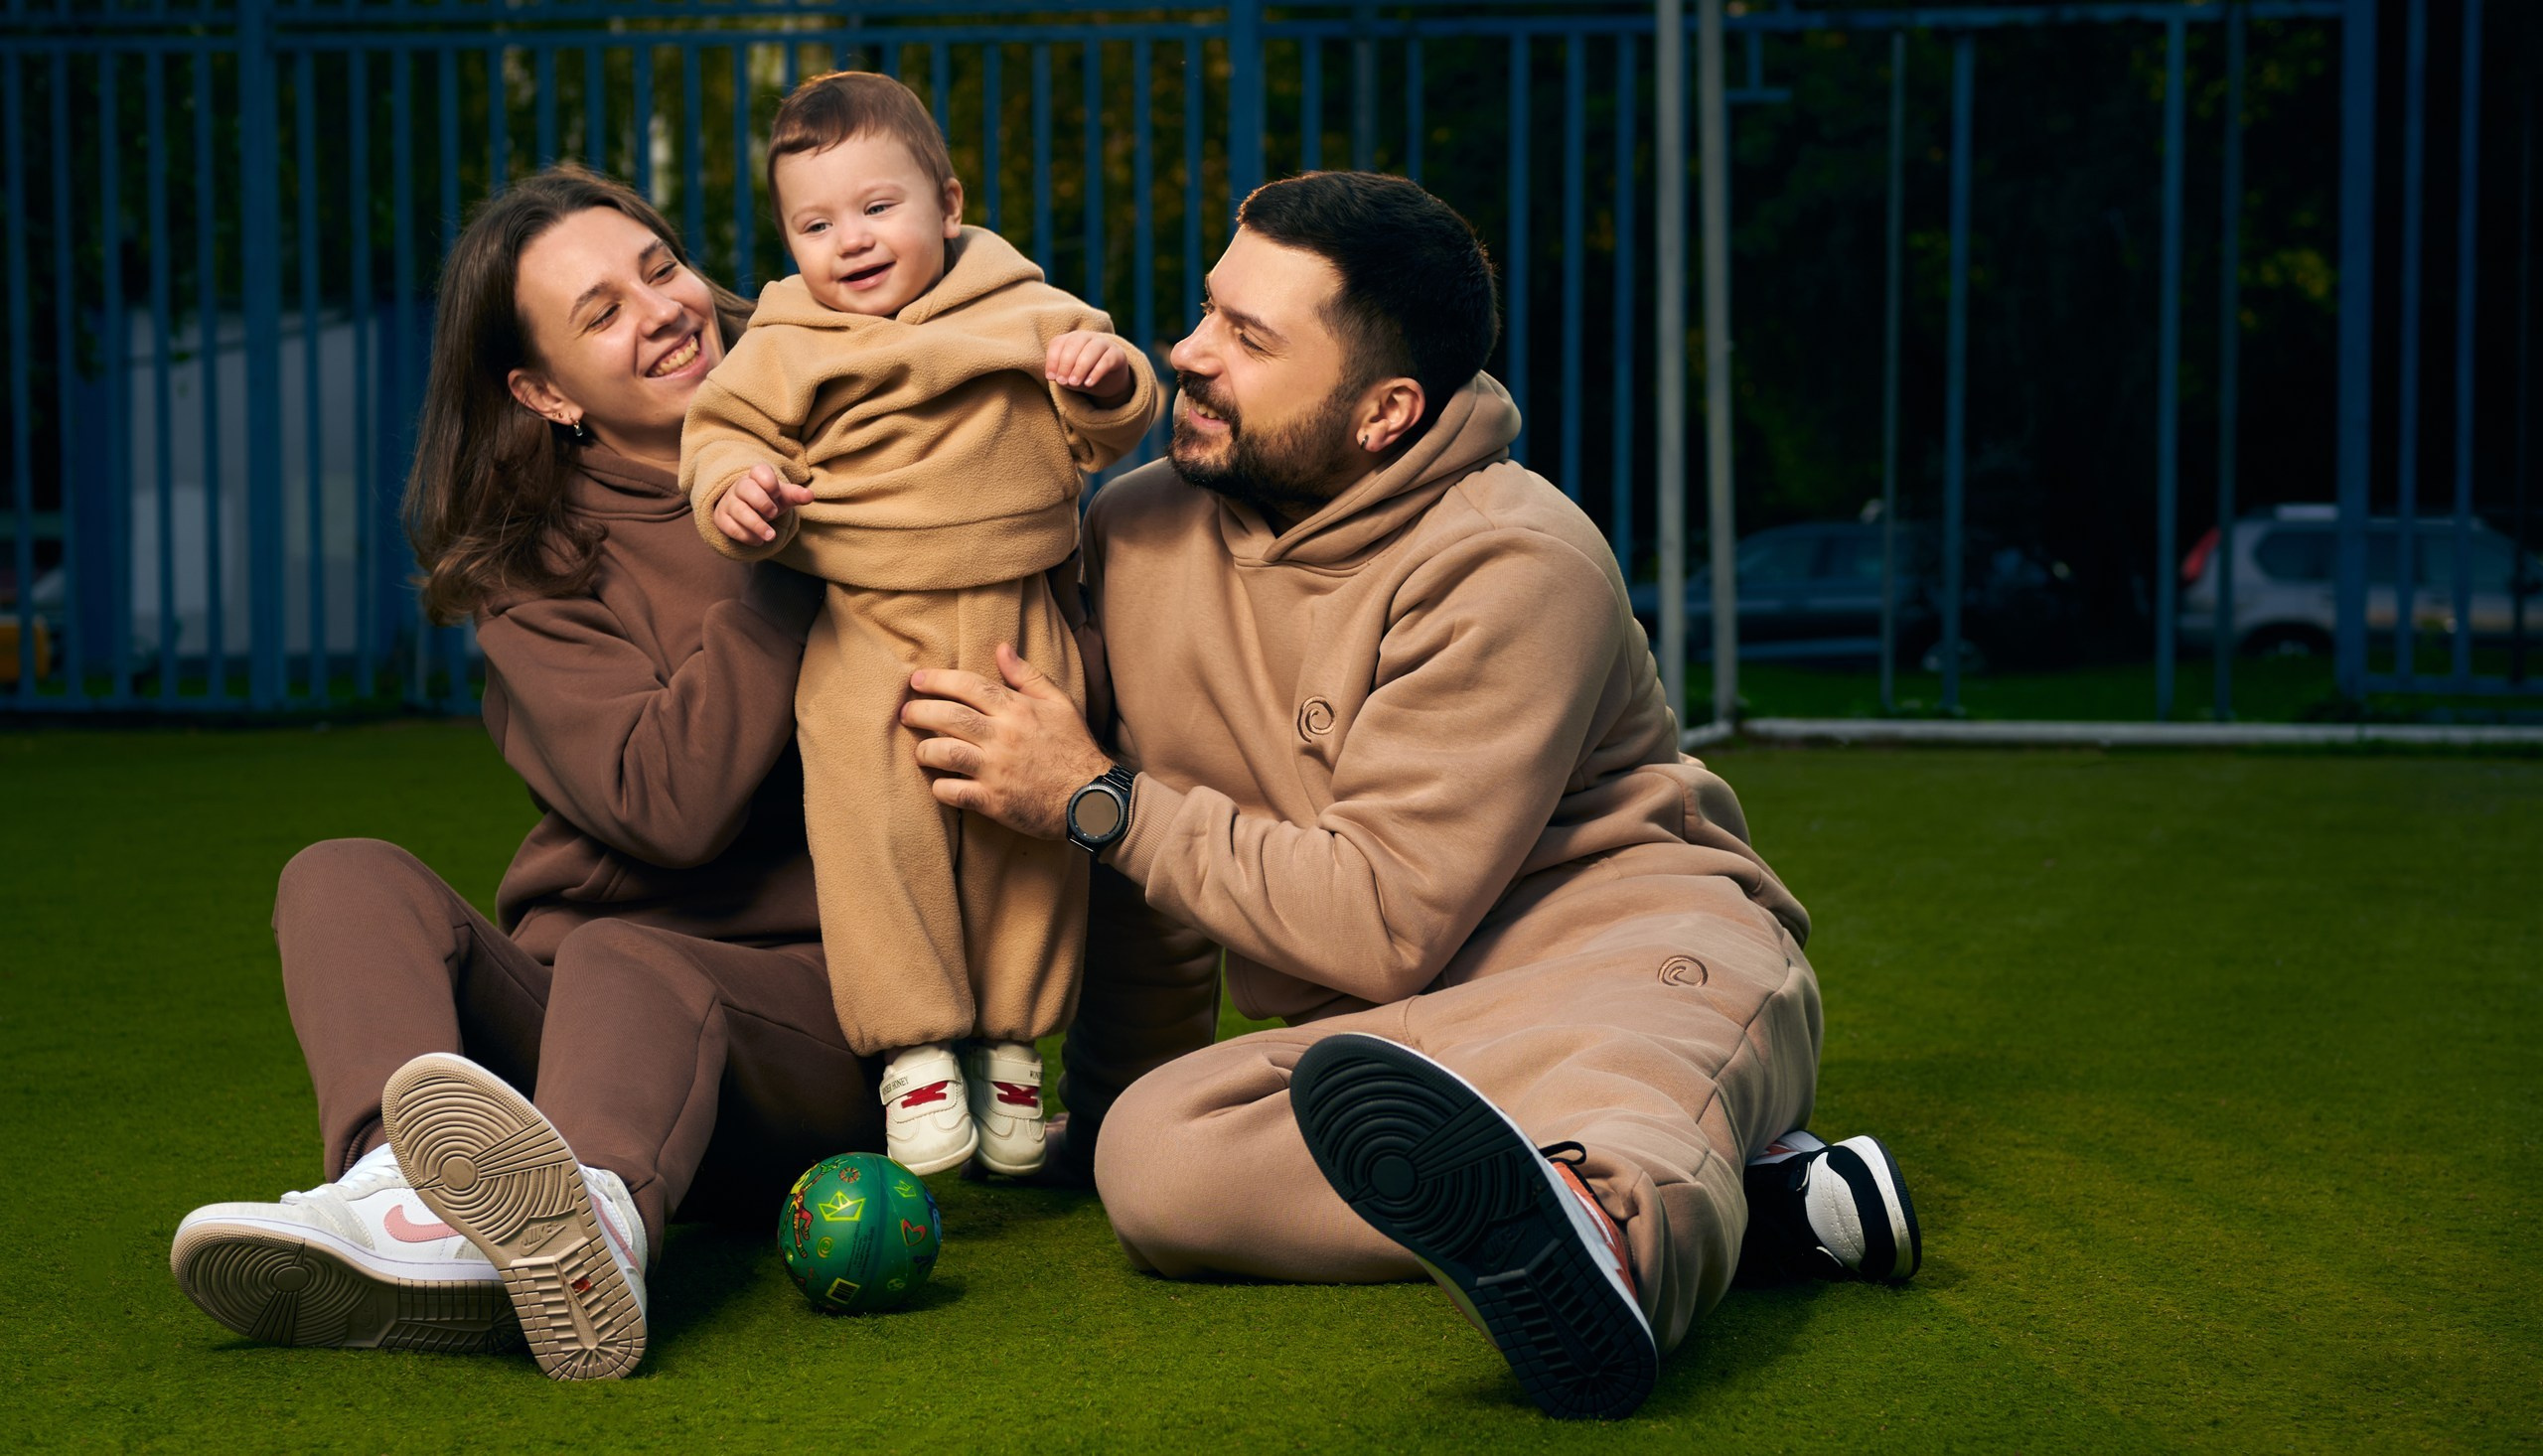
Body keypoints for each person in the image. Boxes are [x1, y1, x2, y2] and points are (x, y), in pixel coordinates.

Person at [902, 171, 1922, 1421]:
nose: (1187, 355)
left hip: (1627, 953)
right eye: (1209, 311)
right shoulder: (1139, 526)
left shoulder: (1516, 557)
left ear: (1384, 410)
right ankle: (1762, 1204)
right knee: (1153, 1159)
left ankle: (1619, 1241)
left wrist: (1092, 796)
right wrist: (1110, 1091)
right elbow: (1159, 894)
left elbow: (1376, 917)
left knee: (1623, 1108)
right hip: (1397, 1038)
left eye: (1248, 338)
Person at [169, 165, 877, 1383]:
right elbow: (664, 800)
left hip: (814, 1027)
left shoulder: (855, 444)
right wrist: (782, 571)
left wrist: (799, 536)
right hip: (578, 1030)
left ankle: (590, 1234)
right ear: (544, 392)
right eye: (599, 312)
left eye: (659, 269)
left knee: (628, 947)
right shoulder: (534, 564)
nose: (660, 309)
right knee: (341, 874)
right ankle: (400, 1194)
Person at [683, 72, 1162, 1180]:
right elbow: (716, 439)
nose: (847, 240)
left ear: (947, 204)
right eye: (815, 223)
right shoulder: (784, 341)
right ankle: (914, 1053)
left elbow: (1121, 408)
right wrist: (737, 491)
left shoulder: (1025, 309)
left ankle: (1010, 1045)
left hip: (1016, 621)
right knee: (876, 839)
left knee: (1029, 843)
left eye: (876, 207)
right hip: (869, 635)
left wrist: (1103, 378)